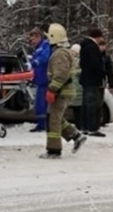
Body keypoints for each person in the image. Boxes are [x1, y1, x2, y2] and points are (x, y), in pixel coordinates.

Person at [39, 23, 87, 158]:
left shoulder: (59, 54)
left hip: (61, 91)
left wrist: (52, 89)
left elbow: (61, 75)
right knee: (55, 117)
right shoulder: (63, 52)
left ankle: (54, 150)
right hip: (64, 90)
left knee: (53, 119)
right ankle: (76, 136)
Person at [79, 28, 106, 137]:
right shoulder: (93, 48)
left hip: (85, 78)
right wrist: (101, 74)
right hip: (92, 79)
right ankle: (92, 127)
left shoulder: (85, 46)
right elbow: (95, 64)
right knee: (91, 103)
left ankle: (84, 126)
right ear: (98, 37)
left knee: (85, 103)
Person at [28, 27, 51, 132]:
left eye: (33, 39)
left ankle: (42, 125)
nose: (31, 42)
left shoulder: (45, 46)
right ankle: (41, 123)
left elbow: (44, 58)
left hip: (44, 80)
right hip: (39, 79)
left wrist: (35, 62)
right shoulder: (38, 48)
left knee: (41, 103)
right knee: (39, 103)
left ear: (38, 37)